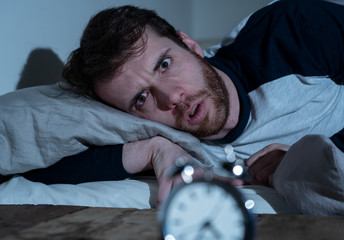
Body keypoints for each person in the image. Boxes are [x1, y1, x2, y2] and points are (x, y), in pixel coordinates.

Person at [21, 0, 344, 205]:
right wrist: (150, 151)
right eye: (142, 98)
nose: (173, 97)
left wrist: (321, 154)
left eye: (164, 64)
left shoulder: (289, 30)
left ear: (189, 44)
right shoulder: (163, 138)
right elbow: (32, 169)